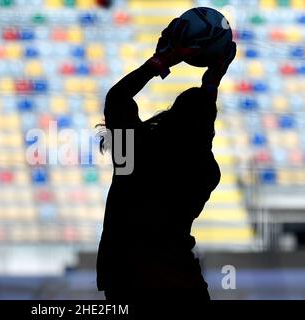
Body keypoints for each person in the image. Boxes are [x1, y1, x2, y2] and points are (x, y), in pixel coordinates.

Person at [96, 18, 237, 301]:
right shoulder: (207, 172)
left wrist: (161, 61)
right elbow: (200, 127)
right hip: (178, 276)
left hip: (125, 273)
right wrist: (211, 83)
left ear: (170, 115)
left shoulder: (133, 152)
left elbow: (118, 97)